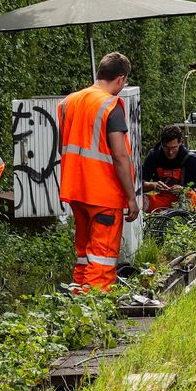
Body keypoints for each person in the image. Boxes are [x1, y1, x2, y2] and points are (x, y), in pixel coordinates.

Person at [59, 51, 139, 290]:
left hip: (75, 190)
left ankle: (78, 305)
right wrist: (132, 198)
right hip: (103, 193)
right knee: (102, 259)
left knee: (84, 254)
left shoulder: (68, 102)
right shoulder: (110, 105)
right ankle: (94, 313)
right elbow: (120, 155)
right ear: (121, 79)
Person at [141, 124, 196, 213]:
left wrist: (183, 190)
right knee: (138, 200)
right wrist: (153, 185)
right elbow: (138, 184)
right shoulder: (154, 156)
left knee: (191, 195)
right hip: (161, 200)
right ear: (161, 143)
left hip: (184, 202)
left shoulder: (191, 159)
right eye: (166, 148)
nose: (170, 152)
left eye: (174, 148)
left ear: (180, 143)